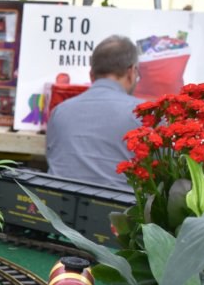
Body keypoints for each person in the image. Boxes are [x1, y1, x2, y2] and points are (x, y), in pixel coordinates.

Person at [46, 35, 141, 191]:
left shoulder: (60, 111)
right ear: (131, 72)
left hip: (59, 201)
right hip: (119, 203)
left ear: (91, 75)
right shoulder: (142, 114)